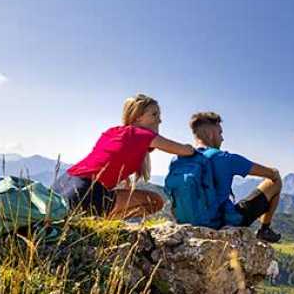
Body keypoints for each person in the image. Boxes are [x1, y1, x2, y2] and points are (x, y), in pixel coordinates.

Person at [53, 94, 195, 219]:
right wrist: (195, 148)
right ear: (138, 117)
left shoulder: (113, 132)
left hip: (61, 186)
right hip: (86, 192)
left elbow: (109, 159)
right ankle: (102, 222)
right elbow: (184, 151)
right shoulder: (143, 135)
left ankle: (96, 220)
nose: (159, 120)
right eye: (154, 115)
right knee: (156, 201)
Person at [188, 111, 282, 243]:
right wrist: (274, 172)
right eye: (220, 133)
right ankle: (264, 230)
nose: (222, 138)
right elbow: (271, 174)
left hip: (189, 220)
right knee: (276, 181)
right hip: (224, 220)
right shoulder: (225, 158)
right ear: (211, 134)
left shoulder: (182, 159)